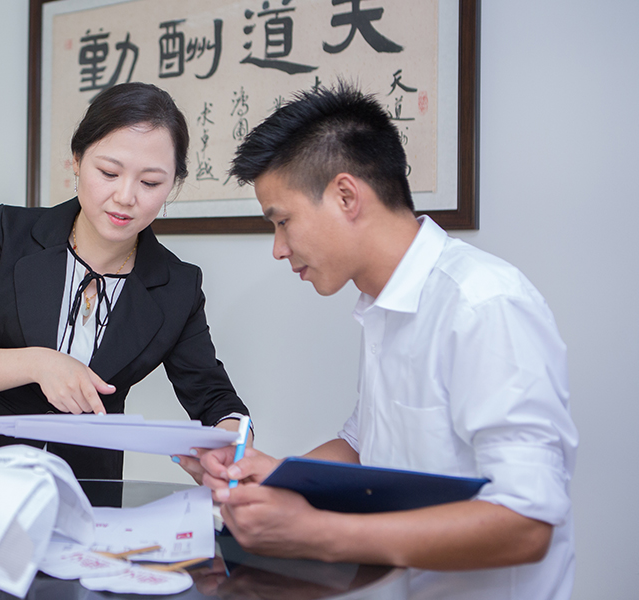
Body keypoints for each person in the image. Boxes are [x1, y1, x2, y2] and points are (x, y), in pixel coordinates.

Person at [198, 84, 577, 600]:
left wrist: (317, 534)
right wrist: (270, 473)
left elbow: (527, 524)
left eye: (283, 222)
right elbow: (364, 445)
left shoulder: (483, 305)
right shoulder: (382, 304)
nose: (278, 249)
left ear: (346, 196)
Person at [0, 82, 250, 480]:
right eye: (109, 172)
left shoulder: (176, 285)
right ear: (77, 160)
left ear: (172, 185)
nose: (126, 196)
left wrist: (232, 441)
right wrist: (38, 363)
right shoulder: (11, 233)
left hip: (88, 486)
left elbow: (214, 398)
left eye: (150, 182)